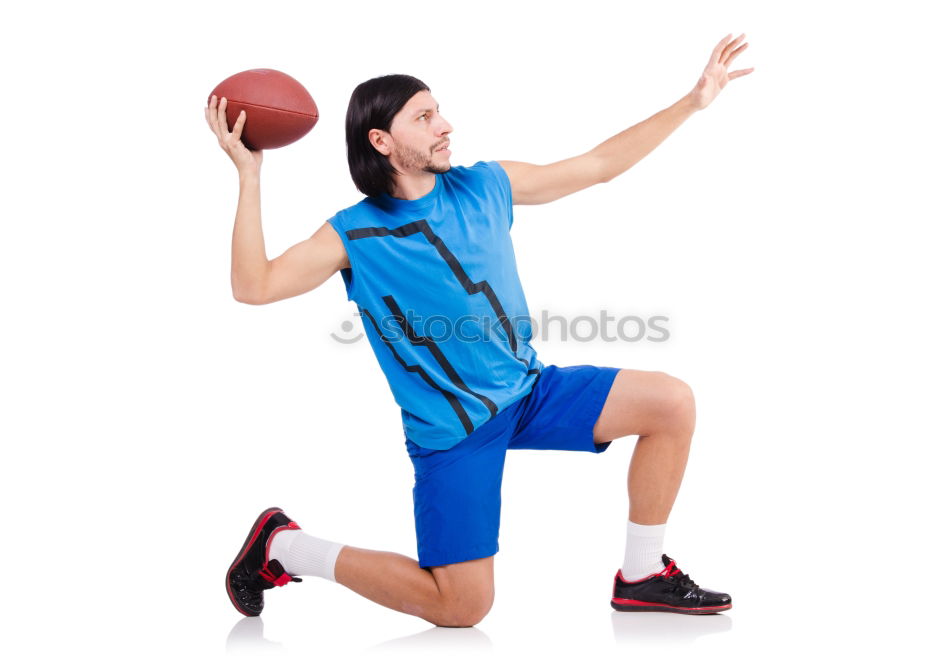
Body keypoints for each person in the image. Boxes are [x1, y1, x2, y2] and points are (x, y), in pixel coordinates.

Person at [206, 34, 753, 627]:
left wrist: (692, 102)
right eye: (424, 116)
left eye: (438, 110)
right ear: (381, 141)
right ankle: (284, 546)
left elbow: (597, 166)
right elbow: (253, 286)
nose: (445, 125)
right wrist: (250, 176)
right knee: (462, 608)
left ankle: (643, 576)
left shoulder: (485, 184)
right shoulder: (352, 235)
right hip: (454, 431)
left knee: (671, 403)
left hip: (528, 392)